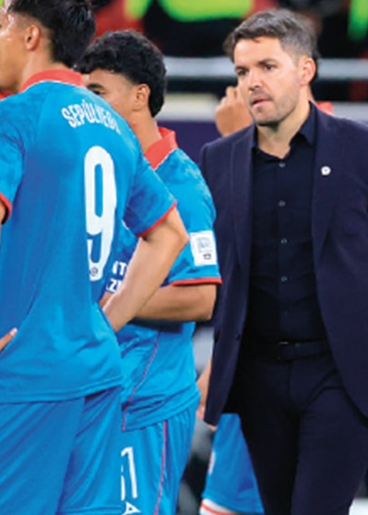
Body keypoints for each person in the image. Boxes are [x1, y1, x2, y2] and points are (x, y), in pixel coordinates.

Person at [0, 0, 188, 514]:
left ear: (32, 36)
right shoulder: (114, 128)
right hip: (95, 370)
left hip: (21, 369)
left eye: (1, 24)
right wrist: (106, 322)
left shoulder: (10, 115)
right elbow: (169, 234)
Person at [197, 9, 368, 514]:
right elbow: (223, 273)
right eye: (242, 71)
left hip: (342, 373)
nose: (252, 82)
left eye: (267, 67)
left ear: (305, 70)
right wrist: (216, 362)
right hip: (258, 378)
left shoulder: (366, 150)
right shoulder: (218, 159)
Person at [76, 29, 221, 515]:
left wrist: (106, 307)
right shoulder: (98, 174)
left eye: (98, 93)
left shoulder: (181, 185)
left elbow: (200, 297)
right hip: (93, 390)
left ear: (140, 96)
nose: (88, 107)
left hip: (146, 399)